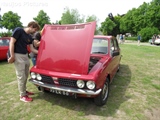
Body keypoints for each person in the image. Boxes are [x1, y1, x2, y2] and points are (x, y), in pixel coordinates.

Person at [8, 21, 40, 102]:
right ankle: (22, 95)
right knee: (21, 76)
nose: (35, 32)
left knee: (25, 75)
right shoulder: (19, 30)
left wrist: (42, 53)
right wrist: (12, 56)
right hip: (18, 55)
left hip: (26, 56)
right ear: (31, 26)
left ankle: (25, 91)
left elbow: (32, 49)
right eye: (35, 30)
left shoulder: (29, 36)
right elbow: (12, 42)